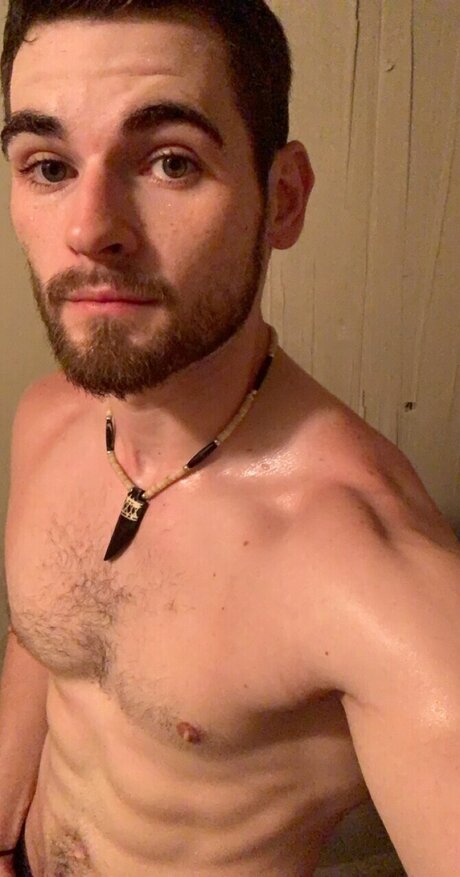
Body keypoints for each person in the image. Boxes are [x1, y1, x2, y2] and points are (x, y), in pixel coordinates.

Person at [0, 1, 459, 875]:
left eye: (170, 161)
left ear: (281, 200)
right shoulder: (45, 419)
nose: (88, 229)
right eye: (49, 166)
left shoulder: (380, 579)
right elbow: (39, 635)